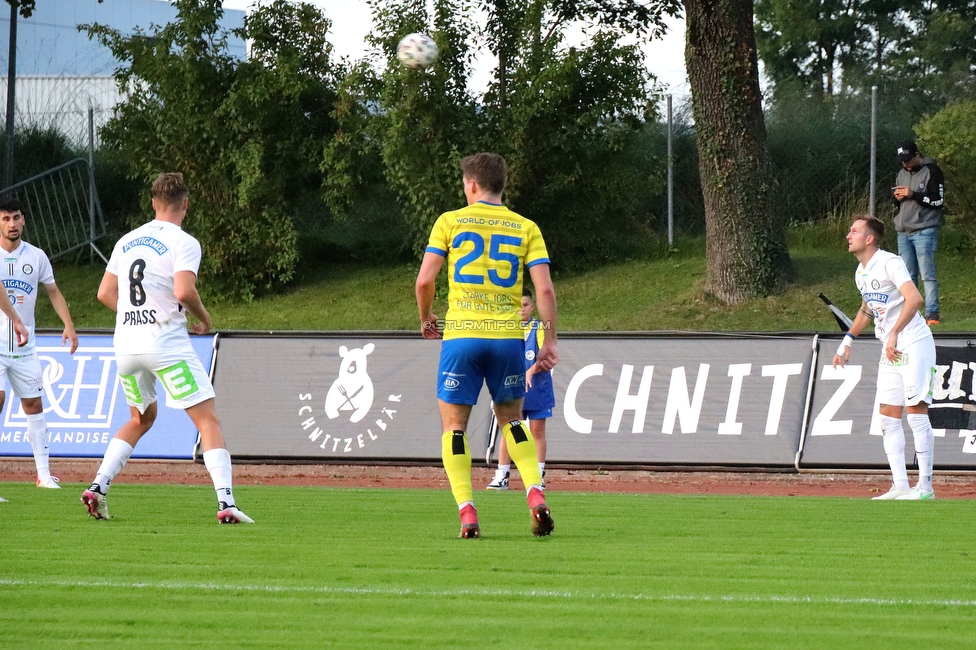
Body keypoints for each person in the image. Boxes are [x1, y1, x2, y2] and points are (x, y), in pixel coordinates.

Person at [81, 173, 253, 523]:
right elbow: (184, 292)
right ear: (185, 204)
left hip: (127, 345)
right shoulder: (184, 241)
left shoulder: (126, 241)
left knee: (140, 417)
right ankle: (226, 503)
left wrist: (135, 314)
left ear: (153, 203)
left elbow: (104, 293)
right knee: (207, 421)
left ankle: (98, 487)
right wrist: (204, 319)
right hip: (165, 343)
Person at [415, 152, 558, 538]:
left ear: (472, 185)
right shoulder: (525, 227)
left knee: (454, 428)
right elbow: (543, 288)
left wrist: (427, 319)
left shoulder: (449, 221)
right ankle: (534, 493)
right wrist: (549, 338)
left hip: (462, 335)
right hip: (507, 338)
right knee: (513, 420)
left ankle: (467, 511)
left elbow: (425, 281)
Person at [834, 214, 937, 500]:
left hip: (912, 342)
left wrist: (894, 333)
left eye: (854, 231)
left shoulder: (890, 262)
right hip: (890, 349)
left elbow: (915, 298)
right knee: (888, 418)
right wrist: (848, 340)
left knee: (916, 413)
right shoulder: (860, 273)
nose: (848, 235)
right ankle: (900, 486)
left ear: (869, 238)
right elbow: (868, 308)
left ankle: (925, 488)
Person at [0, 196, 78, 489]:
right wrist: (15, 320)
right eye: (6, 218)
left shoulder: (36, 256)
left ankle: (44, 475)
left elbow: (53, 291)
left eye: (16, 217)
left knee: (33, 404)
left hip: (24, 347)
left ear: (24, 220)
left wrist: (68, 325)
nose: (12, 224)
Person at [487, 286, 554, 491]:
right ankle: (502, 475)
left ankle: (538, 476)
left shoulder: (540, 328)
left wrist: (529, 372)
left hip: (537, 386)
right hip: (512, 387)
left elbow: (545, 355)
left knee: (537, 431)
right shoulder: (507, 328)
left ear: (532, 306)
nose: (521, 309)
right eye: (518, 306)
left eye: (525, 305)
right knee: (509, 430)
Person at [893, 140, 944, 325]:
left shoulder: (932, 171)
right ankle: (911, 314)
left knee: (927, 274)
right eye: (902, 160)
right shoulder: (901, 174)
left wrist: (913, 194)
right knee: (907, 276)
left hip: (924, 230)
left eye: (907, 159)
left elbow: (938, 201)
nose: (904, 164)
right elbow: (900, 204)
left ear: (917, 155)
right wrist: (897, 199)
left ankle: (932, 314)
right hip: (903, 231)